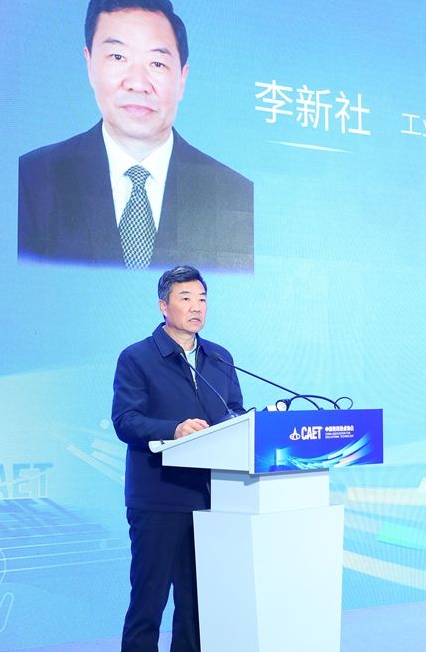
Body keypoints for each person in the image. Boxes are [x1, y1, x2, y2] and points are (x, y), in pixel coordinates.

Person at [19, 0, 253, 272]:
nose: (138, 83)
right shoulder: (32, 179)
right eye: (118, 57)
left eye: (157, 63)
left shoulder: (236, 194)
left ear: (182, 78)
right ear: (90, 64)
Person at [111, 265, 246, 652]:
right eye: (186, 298)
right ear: (163, 306)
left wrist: (239, 424)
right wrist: (174, 430)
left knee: (197, 607)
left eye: (202, 299)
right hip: (158, 498)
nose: (196, 307)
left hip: (211, 499)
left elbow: (235, 412)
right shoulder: (137, 358)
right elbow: (125, 420)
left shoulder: (219, 357)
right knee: (148, 604)